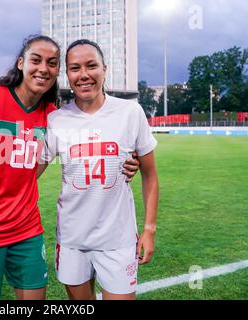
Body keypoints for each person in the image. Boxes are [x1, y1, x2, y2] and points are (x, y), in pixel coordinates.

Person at [0, 35, 140, 300]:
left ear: (57, 72)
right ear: (21, 63)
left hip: (26, 231)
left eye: (52, 63)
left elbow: (84, 143)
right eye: (36, 60)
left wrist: (126, 160)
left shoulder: (51, 115)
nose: (44, 68)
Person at [38, 39, 159, 300]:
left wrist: (148, 230)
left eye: (91, 66)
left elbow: (150, 174)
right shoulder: (56, 119)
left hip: (118, 239)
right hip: (72, 240)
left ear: (104, 68)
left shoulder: (130, 112)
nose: (84, 75)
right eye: (75, 68)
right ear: (67, 75)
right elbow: (29, 173)